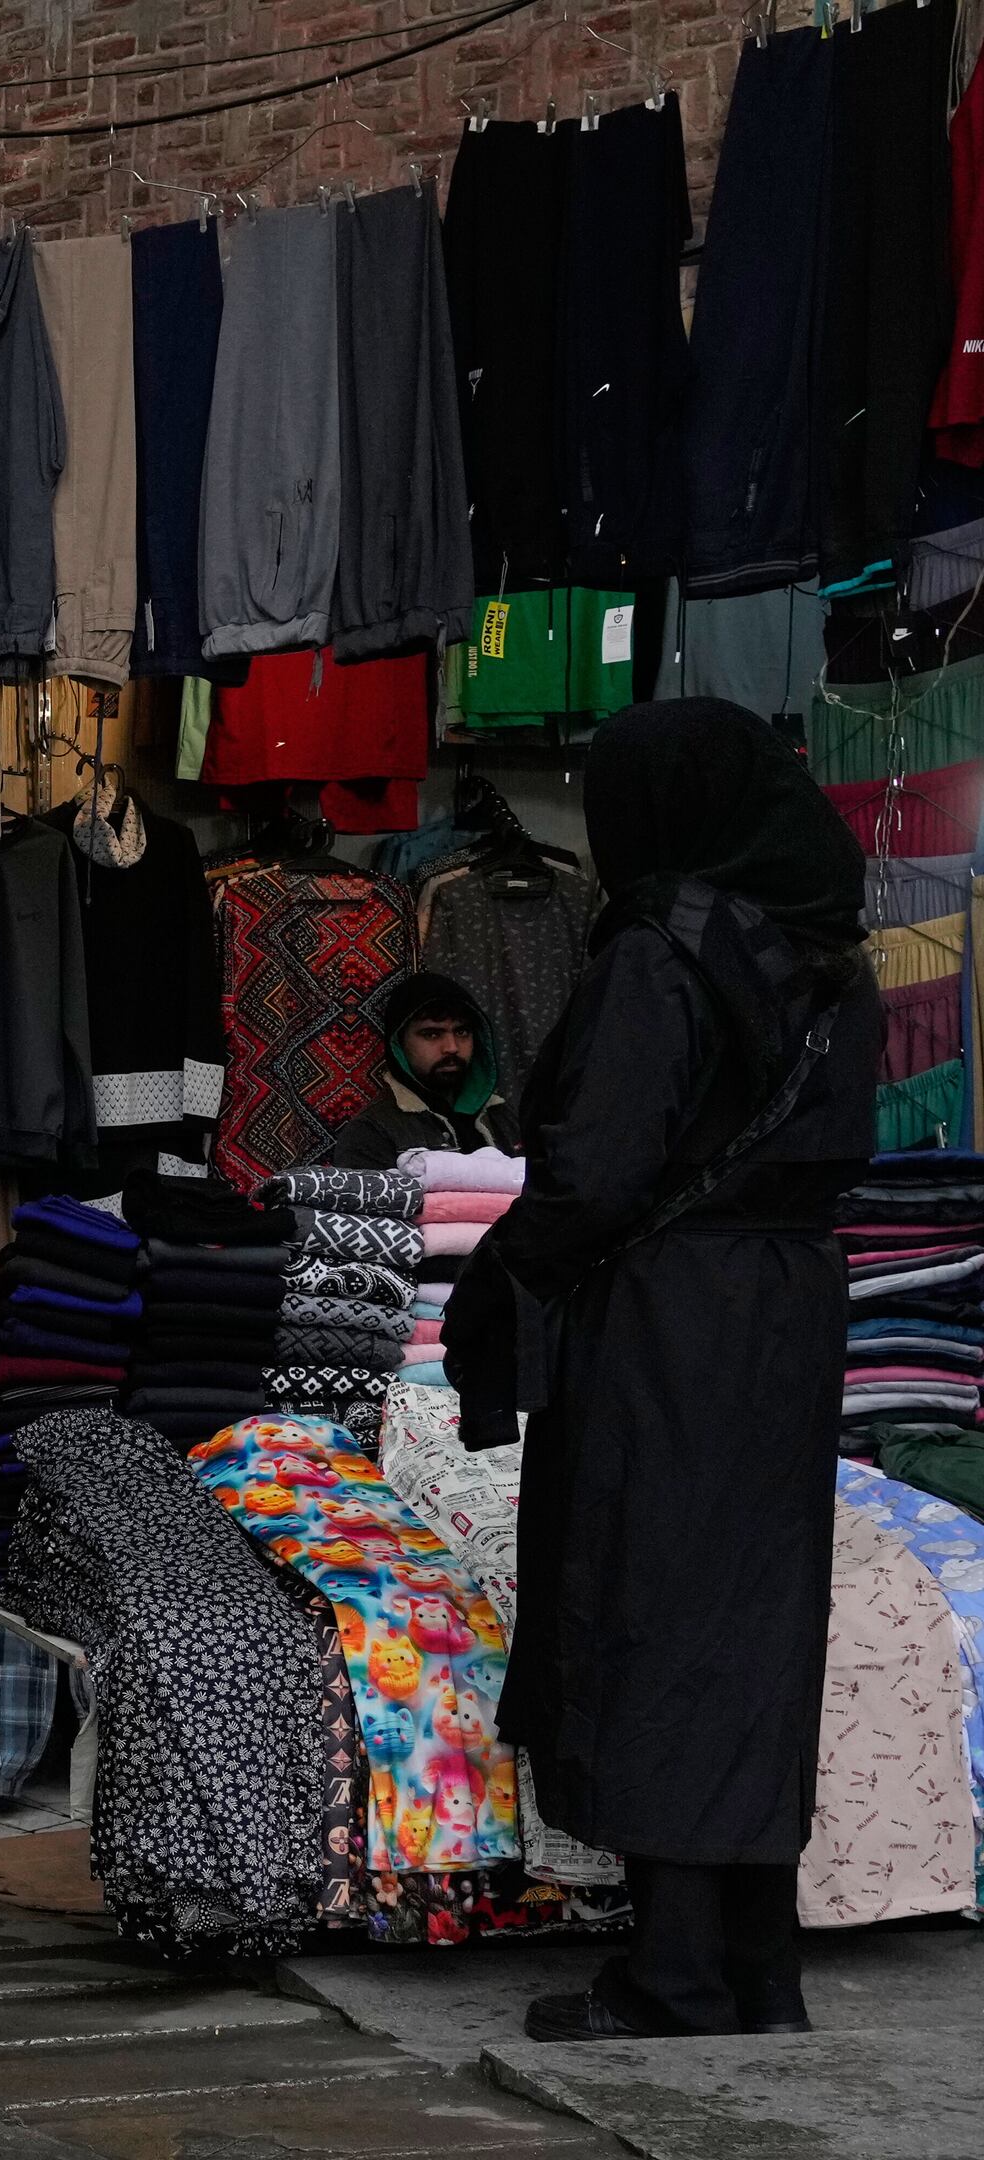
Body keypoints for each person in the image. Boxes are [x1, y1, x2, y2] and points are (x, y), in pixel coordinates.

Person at [442, 699, 879, 2045]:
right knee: (753, 1623)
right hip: (790, 1308)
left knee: (653, 1610)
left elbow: (599, 1168)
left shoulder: (663, 944)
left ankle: (674, 1975)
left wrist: (499, 1285)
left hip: (670, 1310)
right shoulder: (827, 947)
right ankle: (758, 1965)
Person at [319, 970, 522, 1167]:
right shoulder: (372, 1132)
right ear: (399, 1043)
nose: (451, 1047)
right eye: (432, 1034)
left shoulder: (502, 1118)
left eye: (462, 1031)